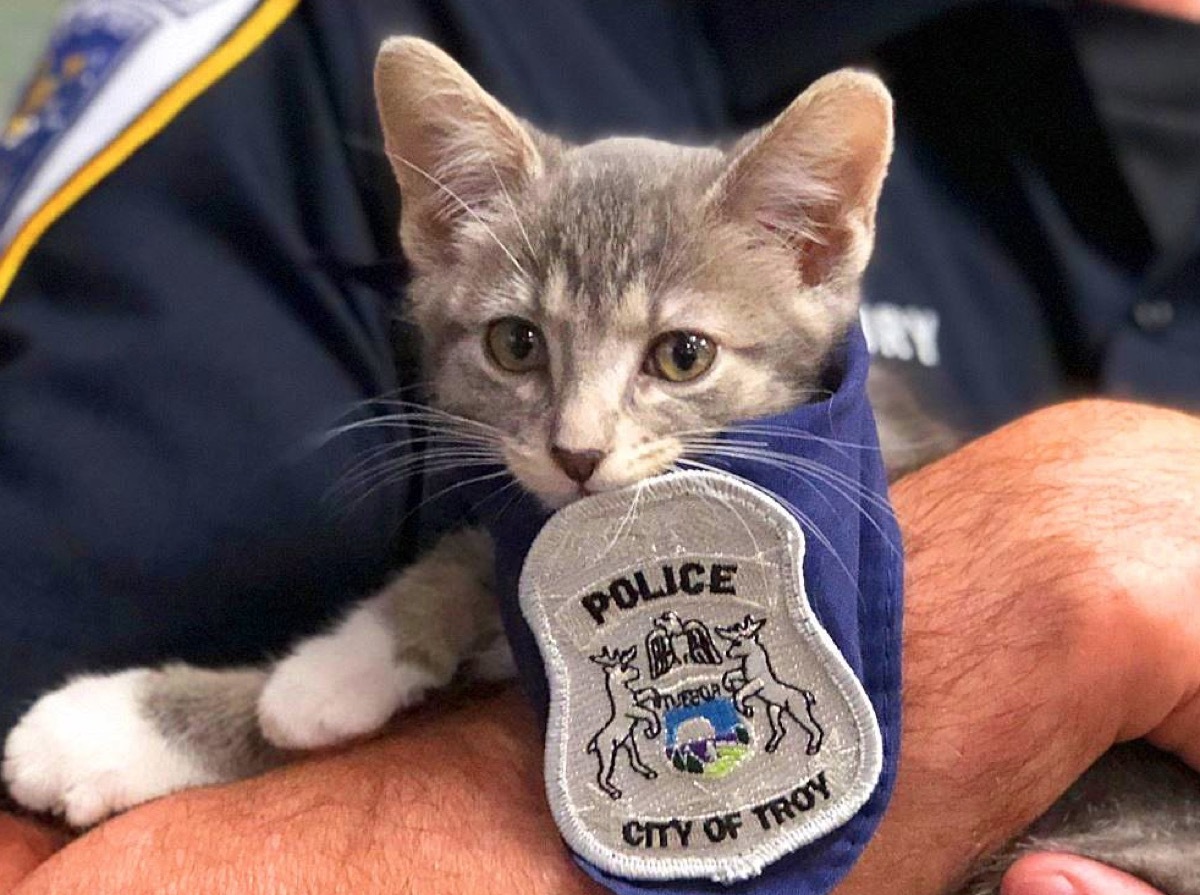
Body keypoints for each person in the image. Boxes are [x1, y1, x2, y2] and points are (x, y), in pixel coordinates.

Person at [0, 1, 1197, 893]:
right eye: (522, 346)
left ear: (825, 241)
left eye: (675, 357)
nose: (576, 436)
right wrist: (1026, 599)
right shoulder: (301, 48)